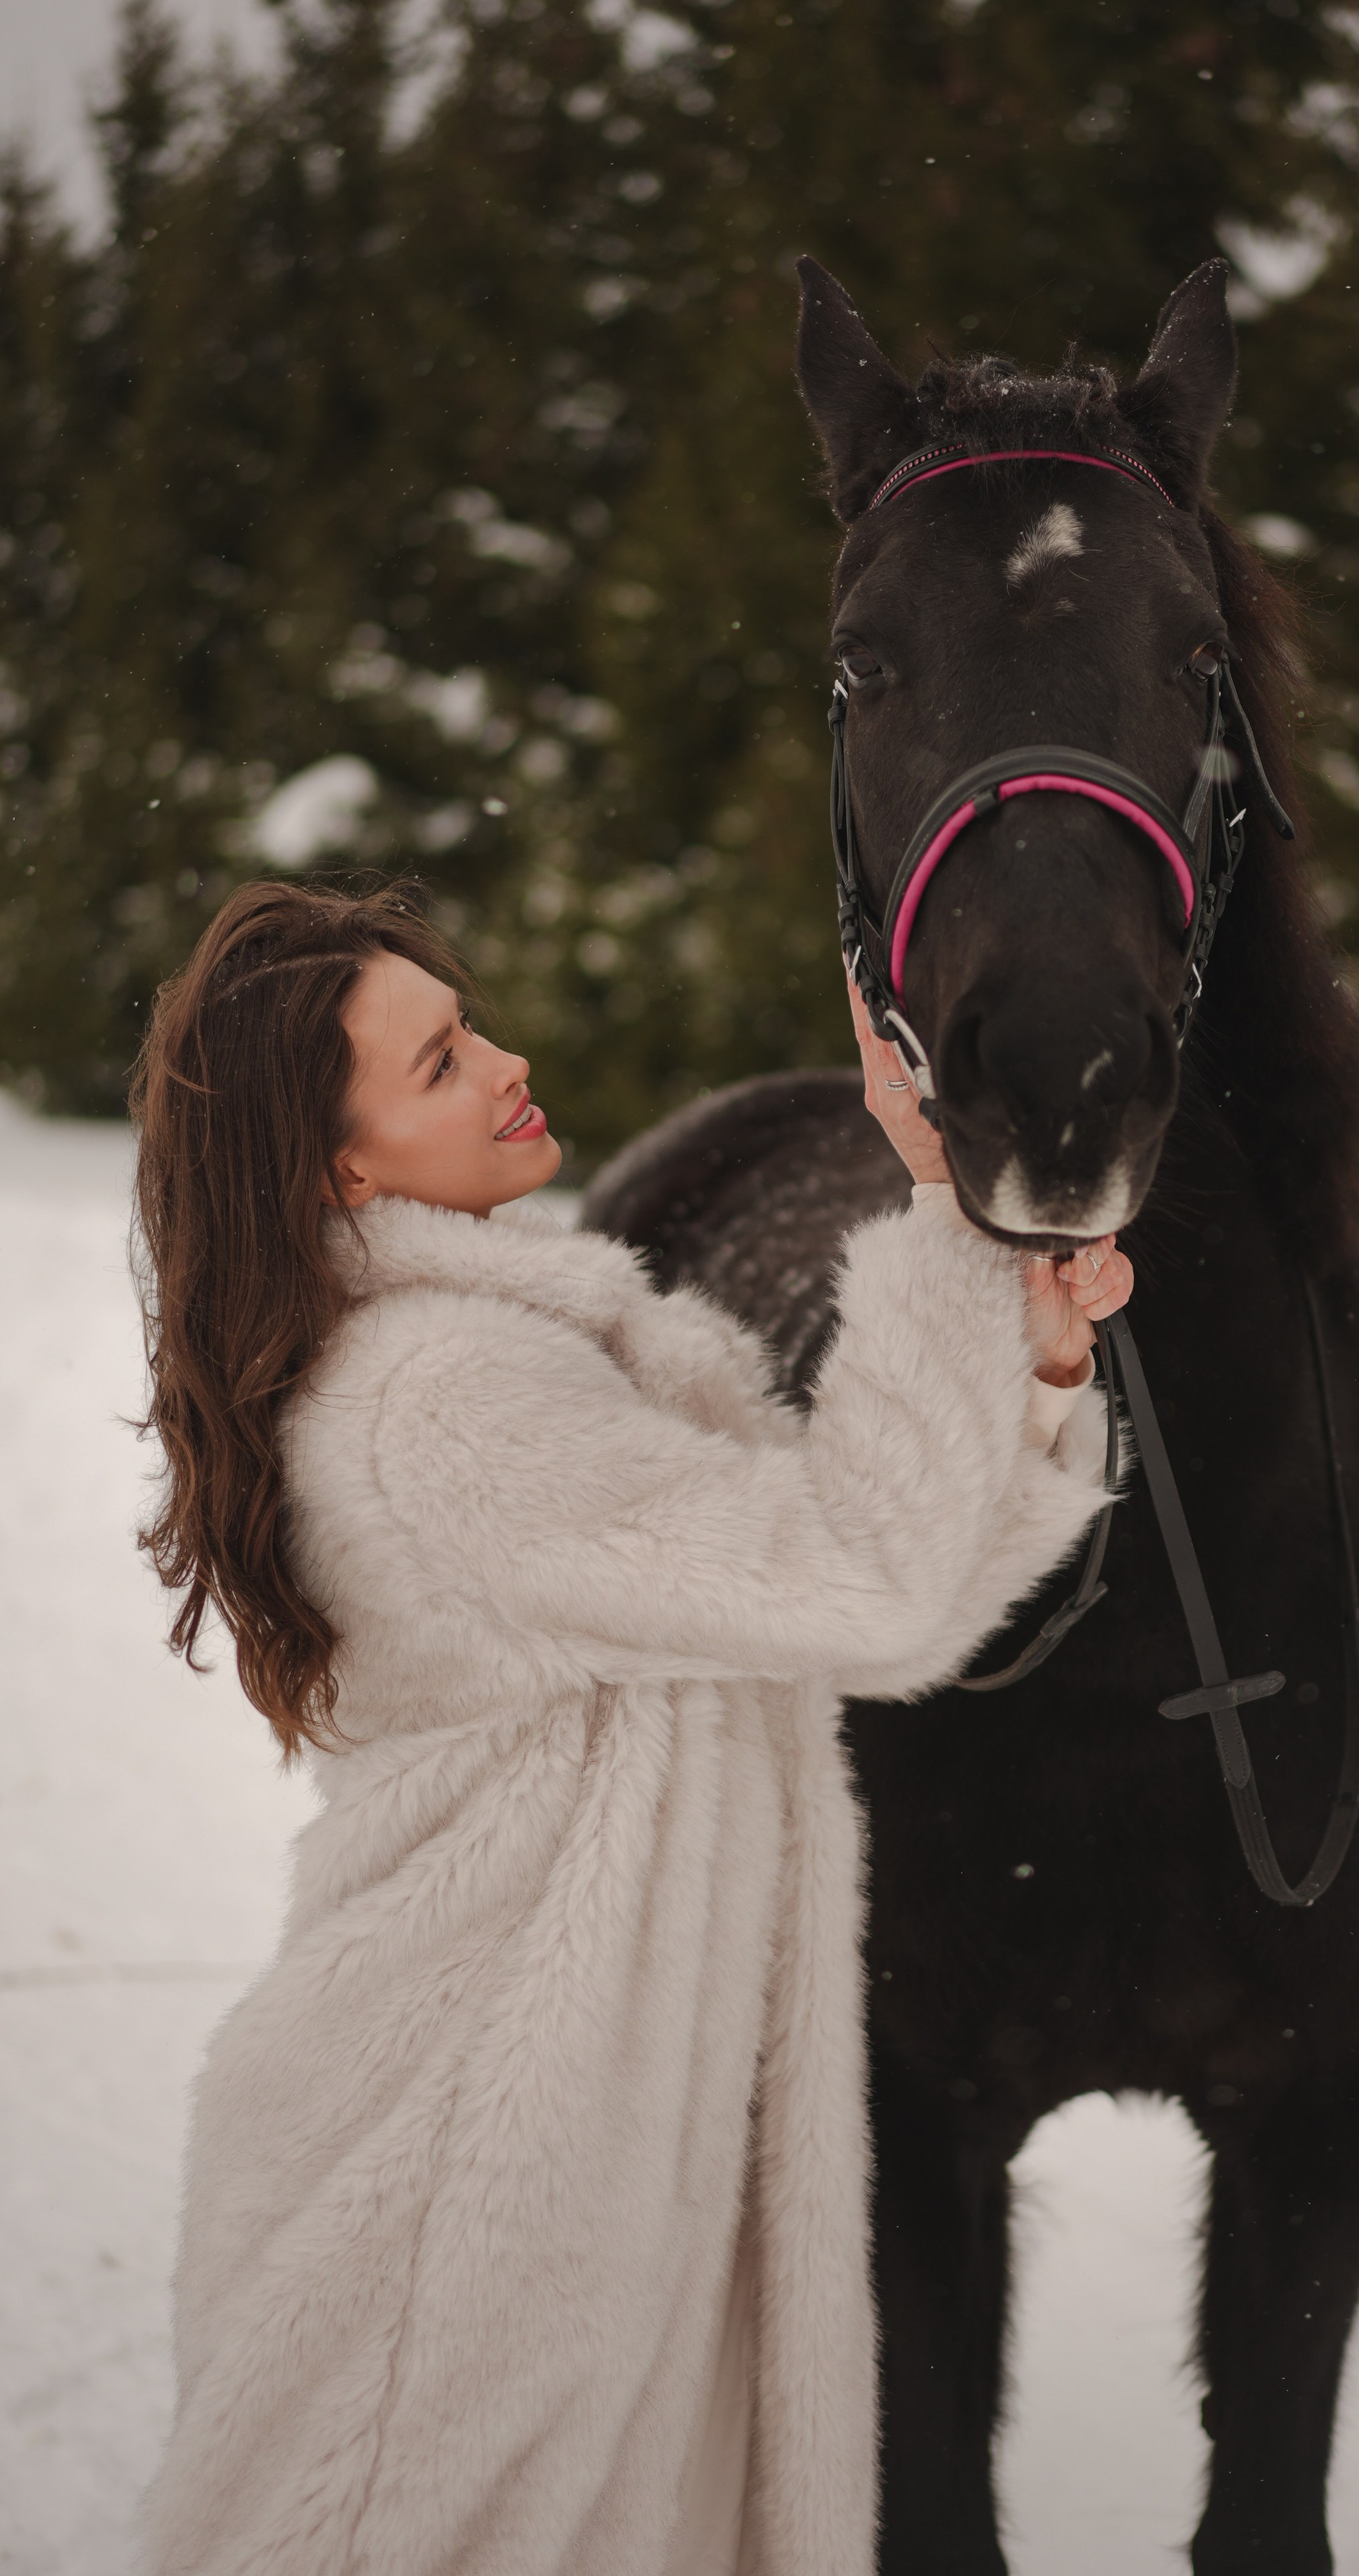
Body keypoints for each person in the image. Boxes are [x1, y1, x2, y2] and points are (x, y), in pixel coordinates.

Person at [131, 878, 1131, 2576]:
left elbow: (846, 1622)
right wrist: (942, 1216)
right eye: (439, 1063)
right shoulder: (442, 1400)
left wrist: (1030, 1384)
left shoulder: (512, 1349)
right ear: (341, 1170)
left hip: (574, 2111)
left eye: (466, 1026)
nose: (504, 1060)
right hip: (474, 2151)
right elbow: (861, 1582)